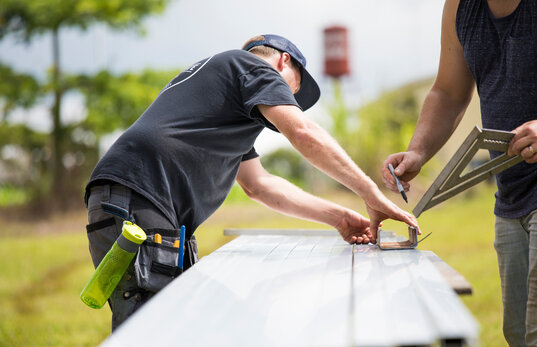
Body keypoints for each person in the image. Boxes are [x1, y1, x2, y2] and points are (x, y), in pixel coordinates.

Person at [85, 34, 418, 330]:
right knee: (153, 332)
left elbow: (260, 185)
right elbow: (302, 132)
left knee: (177, 328)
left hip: (133, 197)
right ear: (282, 61)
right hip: (138, 196)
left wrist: (340, 218)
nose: (290, 99)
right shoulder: (249, 64)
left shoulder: (225, 107)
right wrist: (371, 193)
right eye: (293, 88)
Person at [381, 1, 537, 347]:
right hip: (511, 195)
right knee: (520, 338)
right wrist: (418, 151)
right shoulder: (459, 7)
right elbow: (449, 92)